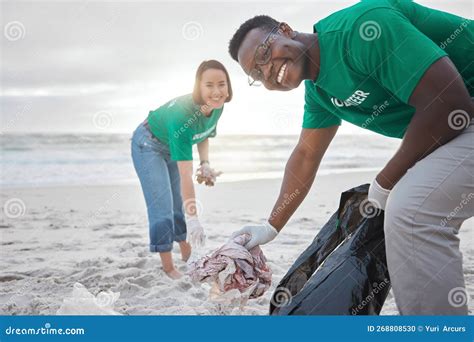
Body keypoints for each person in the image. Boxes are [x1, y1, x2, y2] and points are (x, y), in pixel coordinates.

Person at [228, 0, 473, 314]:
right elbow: (306, 153)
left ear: (285, 30)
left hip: (461, 111)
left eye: (264, 54)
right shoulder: (318, 91)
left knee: (410, 210)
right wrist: (271, 226)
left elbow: (451, 103)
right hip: (461, 125)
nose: (268, 72)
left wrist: (385, 182)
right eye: (257, 74)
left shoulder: (361, 30)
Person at [131, 60, 232, 279]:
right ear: (198, 87)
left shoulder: (217, 106)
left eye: (221, 84)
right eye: (209, 85)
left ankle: (186, 250)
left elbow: (205, 135)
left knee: (178, 202)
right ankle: (168, 267)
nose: (216, 92)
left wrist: (205, 164)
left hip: (171, 145)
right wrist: (194, 220)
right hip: (148, 144)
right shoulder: (182, 116)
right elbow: (187, 175)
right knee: (162, 204)